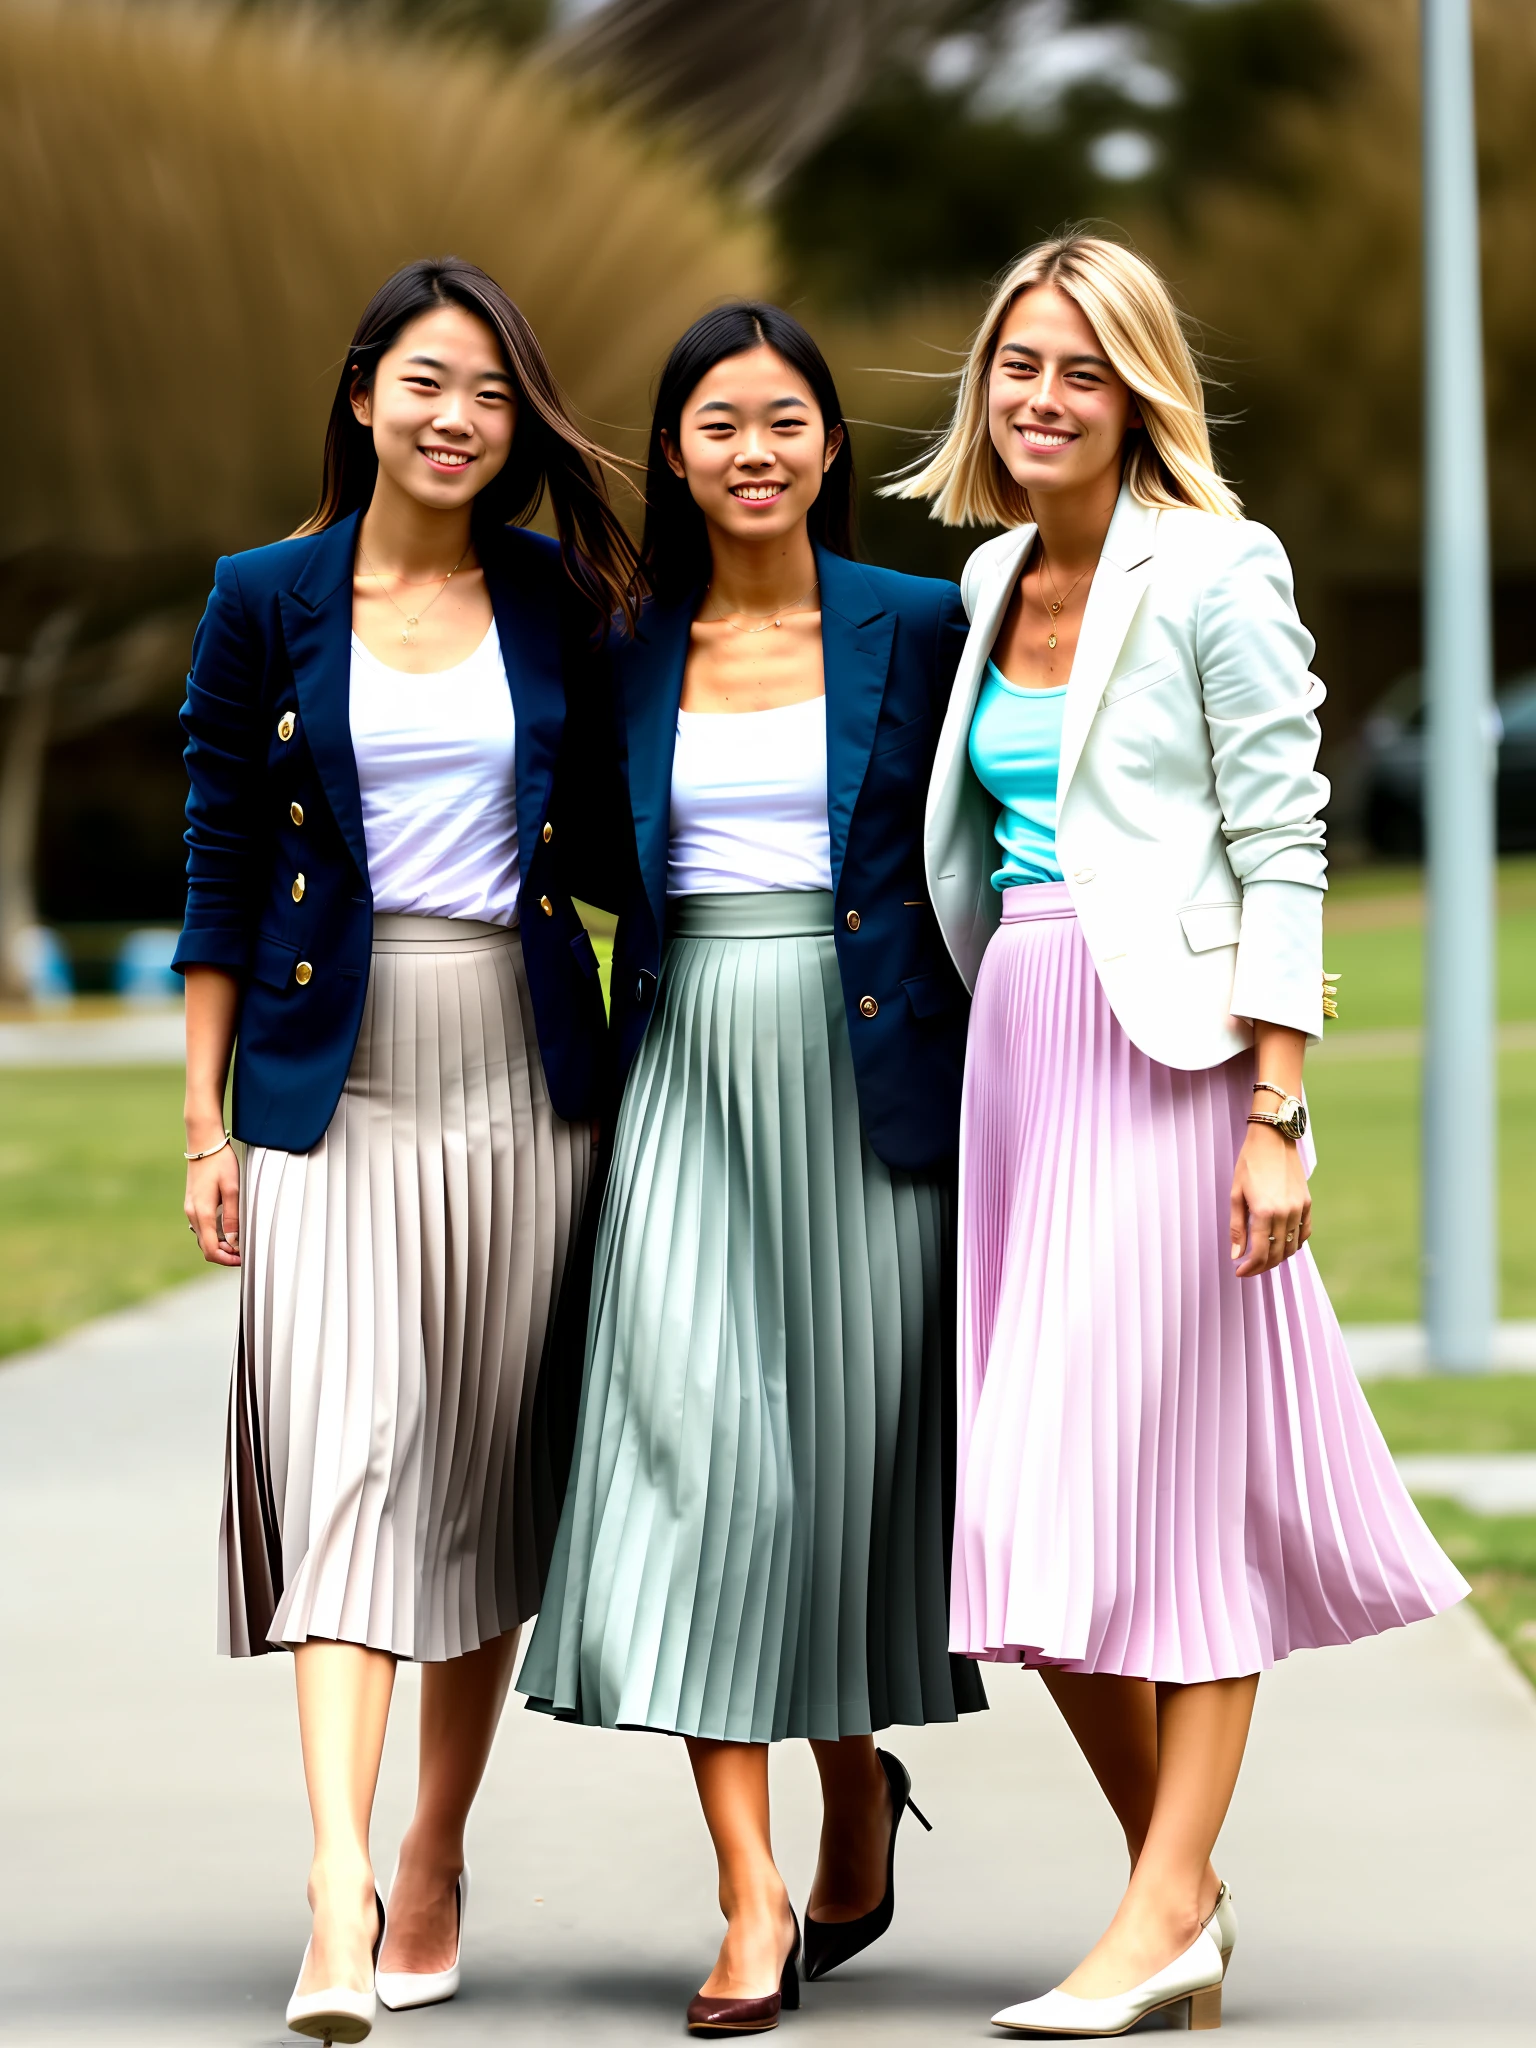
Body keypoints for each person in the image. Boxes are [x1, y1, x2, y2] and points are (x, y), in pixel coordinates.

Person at [892, 234, 1468, 2037]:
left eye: (1083, 368)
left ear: (1141, 390)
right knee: (1032, 1522)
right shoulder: (987, 576)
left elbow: (1284, 841)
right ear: (986, 388)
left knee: (1167, 1496)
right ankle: (1183, 1889)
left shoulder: (1220, 566)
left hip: (1176, 1065)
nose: (1044, 398)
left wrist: (1278, 1110)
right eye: (1018, 366)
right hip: (1024, 1054)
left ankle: (1153, 1915)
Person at [176, 256, 636, 2044]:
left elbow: (620, 832)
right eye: (429, 383)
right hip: (326, 1079)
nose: (459, 418)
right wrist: (205, 1122)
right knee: (351, 1456)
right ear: (364, 389)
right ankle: (338, 1885)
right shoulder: (261, 598)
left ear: (517, 426)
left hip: (523, 1069)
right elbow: (218, 859)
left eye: (494, 395)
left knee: (481, 1467)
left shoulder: (558, 595)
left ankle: (438, 1842)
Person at [518, 303, 987, 2035]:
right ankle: (748, 1891)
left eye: (784, 419)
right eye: (719, 424)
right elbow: (561, 837)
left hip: (872, 1080)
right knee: (693, 1462)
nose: (755, 451)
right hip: (688, 1069)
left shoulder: (924, 624)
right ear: (677, 450)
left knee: (843, 1476)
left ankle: (855, 1776)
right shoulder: (623, 643)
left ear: (830, 445)